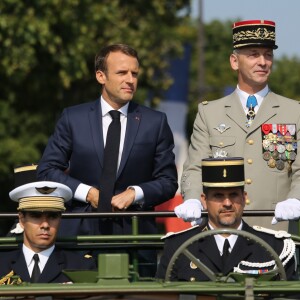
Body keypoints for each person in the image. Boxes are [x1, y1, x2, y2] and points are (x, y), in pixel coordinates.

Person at [36, 43, 178, 276]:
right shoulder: (73, 118)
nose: (130, 79)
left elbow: (168, 181)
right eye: (122, 73)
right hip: (81, 236)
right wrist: (88, 193)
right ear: (101, 76)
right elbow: (47, 170)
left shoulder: (155, 122)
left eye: (135, 73)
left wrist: (135, 193)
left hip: (136, 236)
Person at [175, 20, 300, 231]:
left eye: (268, 55)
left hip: (275, 231)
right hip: (222, 231)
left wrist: (296, 199)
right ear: (234, 61)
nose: (263, 62)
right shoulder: (209, 113)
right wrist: (194, 198)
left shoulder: (294, 112)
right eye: (253, 54)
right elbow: (195, 167)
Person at [156, 157, 297, 281]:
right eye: (218, 196)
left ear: (244, 197)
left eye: (234, 195)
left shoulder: (274, 247)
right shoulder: (179, 246)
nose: (227, 203)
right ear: (204, 200)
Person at [0, 181, 96, 284]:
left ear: (60, 219)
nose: (45, 225)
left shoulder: (81, 266)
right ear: (22, 219)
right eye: (36, 216)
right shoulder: (2, 263)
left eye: (52, 216)